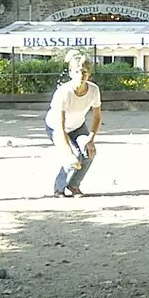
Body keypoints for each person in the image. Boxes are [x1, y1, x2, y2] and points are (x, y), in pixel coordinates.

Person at [46, 51, 102, 198]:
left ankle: (74, 185)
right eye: (77, 71)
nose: (81, 75)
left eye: (84, 72)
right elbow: (60, 125)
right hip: (56, 127)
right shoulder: (64, 92)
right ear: (71, 72)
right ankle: (59, 188)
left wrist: (91, 138)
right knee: (73, 156)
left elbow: (97, 117)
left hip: (78, 126)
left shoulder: (94, 90)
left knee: (89, 152)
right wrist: (68, 152)